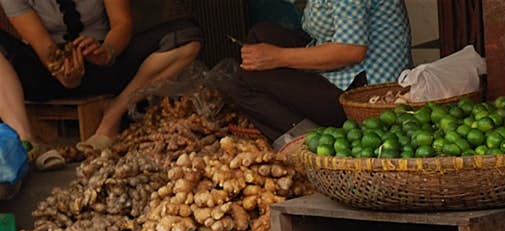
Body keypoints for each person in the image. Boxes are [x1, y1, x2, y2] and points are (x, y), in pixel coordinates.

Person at [0, 1, 202, 149]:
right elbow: (44, 48)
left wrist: (107, 52)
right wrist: (64, 73)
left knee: (186, 35)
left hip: (103, 64)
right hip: (45, 72)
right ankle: (25, 140)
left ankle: (114, 113)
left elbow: (122, 23)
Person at [224, 0, 411, 144]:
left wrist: (278, 57)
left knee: (244, 82)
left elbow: (351, 50)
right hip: (341, 73)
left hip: (364, 95)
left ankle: (313, 144)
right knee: (261, 34)